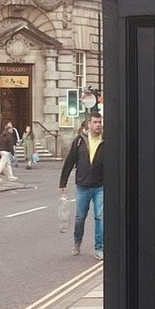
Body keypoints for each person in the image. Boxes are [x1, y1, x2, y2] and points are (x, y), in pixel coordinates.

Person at [59, 109, 104, 260]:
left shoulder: (106, 140)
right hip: (83, 185)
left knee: (100, 216)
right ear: (89, 124)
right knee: (80, 217)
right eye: (95, 122)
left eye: (100, 122)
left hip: (100, 185)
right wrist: (62, 182)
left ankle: (99, 248)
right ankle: (77, 243)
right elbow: (70, 161)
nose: (98, 125)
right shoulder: (79, 141)